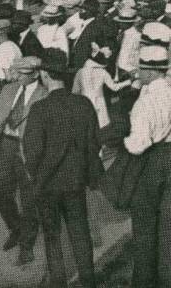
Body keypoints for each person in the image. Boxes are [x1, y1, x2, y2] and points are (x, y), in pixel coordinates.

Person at [23, 48, 101, 288]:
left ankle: (59, 282)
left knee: (52, 236)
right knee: (80, 232)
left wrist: (36, 175)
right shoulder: (83, 104)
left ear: (45, 76)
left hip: (48, 184)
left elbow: (32, 152)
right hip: (76, 181)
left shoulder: (39, 109)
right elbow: (94, 142)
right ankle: (88, 281)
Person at [0, 57, 47, 266]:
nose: (17, 75)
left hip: (27, 149)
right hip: (6, 144)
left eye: (22, 72)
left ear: (36, 74)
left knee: (28, 199)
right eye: (16, 71)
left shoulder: (44, 95)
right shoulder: (8, 90)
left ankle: (26, 245)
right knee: (0, 190)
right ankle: (16, 228)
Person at [122, 45, 171, 288]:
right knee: (167, 226)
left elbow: (138, 144)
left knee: (144, 227)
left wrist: (123, 140)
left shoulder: (146, 100)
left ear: (150, 71)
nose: (137, 73)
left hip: (151, 161)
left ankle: (143, 280)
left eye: (140, 69)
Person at [72, 42, 130, 129]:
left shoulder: (80, 72)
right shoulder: (102, 72)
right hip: (100, 102)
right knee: (100, 128)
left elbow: (75, 91)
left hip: (84, 102)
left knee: (86, 128)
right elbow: (114, 87)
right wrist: (128, 82)